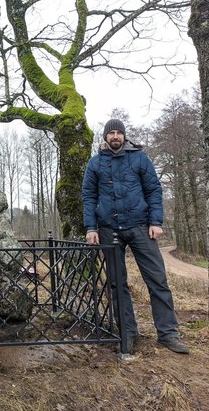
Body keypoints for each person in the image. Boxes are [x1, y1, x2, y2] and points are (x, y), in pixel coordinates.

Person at [82, 118, 189, 355]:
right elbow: (89, 196)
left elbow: (153, 190)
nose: (116, 136)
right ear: (105, 137)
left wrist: (155, 222)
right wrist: (91, 228)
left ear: (125, 136)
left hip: (140, 226)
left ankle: (168, 334)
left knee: (158, 280)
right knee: (116, 284)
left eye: (119, 132)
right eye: (112, 133)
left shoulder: (139, 158)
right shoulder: (95, 163)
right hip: (109, 229)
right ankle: (128, 333)